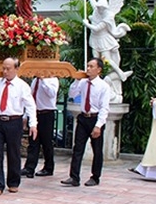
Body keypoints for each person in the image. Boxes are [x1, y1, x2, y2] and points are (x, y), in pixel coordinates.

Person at [0, 58, 38, 196]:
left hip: (14, 121)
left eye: (9, 69)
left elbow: (30, 105)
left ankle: (13, 182)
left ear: (16, 69)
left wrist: (33, 124)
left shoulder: (22, 86)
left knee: (14, 153)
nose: (5, 71)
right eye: (4, 68)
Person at [62, 58, 110, 187]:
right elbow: (72, 94)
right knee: (78, 148)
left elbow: (104, 108)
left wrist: (98, 126)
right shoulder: (83, 83)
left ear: (99, 69)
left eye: (91, 66)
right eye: (87, 66)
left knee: (97, 150)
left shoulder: (103, 86)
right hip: (83, 117)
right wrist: (77, 80)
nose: (88, 68)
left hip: (95, 118)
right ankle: (74, 177)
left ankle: (95, 177)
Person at [22, 75, 60, 178]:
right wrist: (26, 115)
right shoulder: (35, 80)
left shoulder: (52, 80)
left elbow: (51, 94)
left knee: (46, 142)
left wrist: (44, 80)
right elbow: (30, 99)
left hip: (46, 113)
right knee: (33, 141)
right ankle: (29, 168)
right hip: (35, 113)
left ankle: (48, 167)